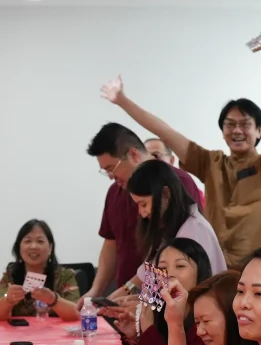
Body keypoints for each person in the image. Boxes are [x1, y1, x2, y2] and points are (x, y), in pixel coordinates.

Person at [101, 43, 261, 268]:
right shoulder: (211, 164)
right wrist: (122, 100)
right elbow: (165, 132)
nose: (236, 130)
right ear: (222, 131)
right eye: (229, 124)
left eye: (245, 124)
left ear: (259, 131)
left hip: (259, 274)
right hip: (215, 277)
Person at [82, 123, 206, 305]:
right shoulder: (115, 192)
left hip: (170, 302)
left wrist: (138, 294)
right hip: (132, 301)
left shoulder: (178, 183)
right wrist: (96, 290)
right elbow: (111, 243)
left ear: (133, 154)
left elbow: (177, 254)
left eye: (111, 169)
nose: (110, 176)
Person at [107, 160, 226, 304]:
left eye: (143, 204)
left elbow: (184, 292)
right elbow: (151, 279)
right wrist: (133, 298)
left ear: (165, 194)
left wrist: (143, 304)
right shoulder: (169, 229)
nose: (142, 213)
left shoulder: (194, 231)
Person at [112, 238, 212, 345]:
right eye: (162, 268)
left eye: (180, 266)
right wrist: (136, 338)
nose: (170, 274)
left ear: (200, 272)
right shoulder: (160, 311)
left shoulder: (206, 317)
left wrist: (149, 331)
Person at [0, 220, 80, 322]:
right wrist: (8, 299)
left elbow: (76, 314)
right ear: (19, 247)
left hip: (55, 336)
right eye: (28, 241)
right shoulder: (11, 275)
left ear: (50, 247)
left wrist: (53, 300)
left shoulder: (64, 275)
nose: (33, 246)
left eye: (40, 241)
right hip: (19, 336)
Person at [146, 137, 205, 211]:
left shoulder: (185, 182)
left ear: (171, 160)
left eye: (155, 156)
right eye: (146, 157)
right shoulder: (137, 185)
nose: (150, 162)